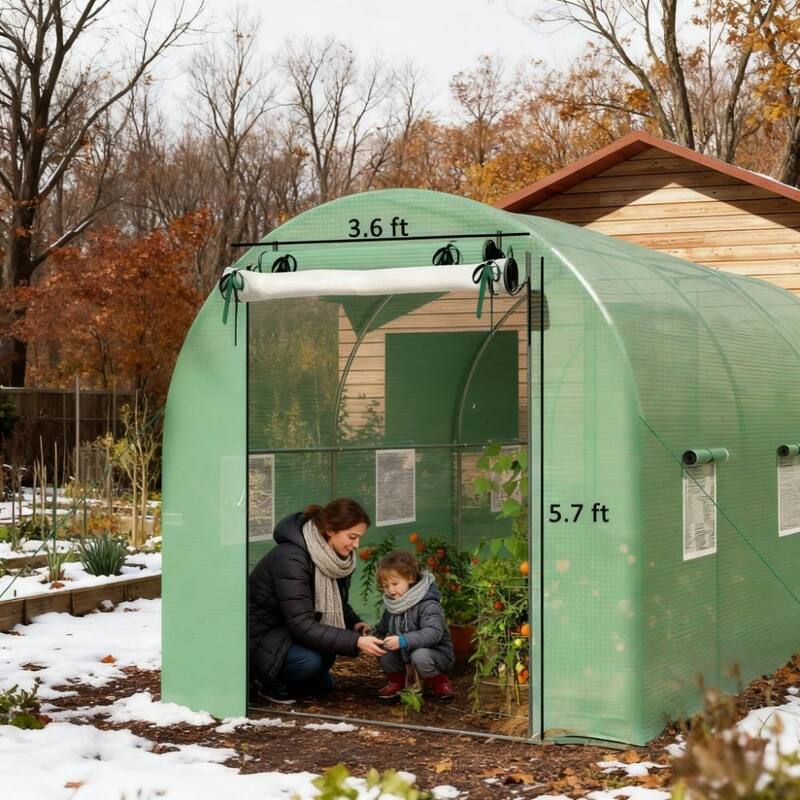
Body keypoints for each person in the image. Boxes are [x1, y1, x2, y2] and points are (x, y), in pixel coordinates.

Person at [248, 498, 385, 703]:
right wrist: (355, 642)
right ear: (330, 530)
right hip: (261, 636)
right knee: (308, 662)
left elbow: (334, 602)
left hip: (287, 633)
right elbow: (301, 623)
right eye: (352, 536)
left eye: (359, 538)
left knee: (324, 679)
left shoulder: (330, 558)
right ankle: (266, 684)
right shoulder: (291, 558)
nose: (356, 545)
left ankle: (296, 681)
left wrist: (355, 624)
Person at [372, 550, 455, 700]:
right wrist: (371, 634)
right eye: (385, 586)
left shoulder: (428, 604)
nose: (390, 590)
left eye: (395, 584)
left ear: (410, 578)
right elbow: (382, 628)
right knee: (383, 650)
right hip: (405, 655)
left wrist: (403, 640)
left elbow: (433, 633)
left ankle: (440, 683)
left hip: (436, 655)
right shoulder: (393, 606)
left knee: (420, 655)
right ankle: (397, 682)